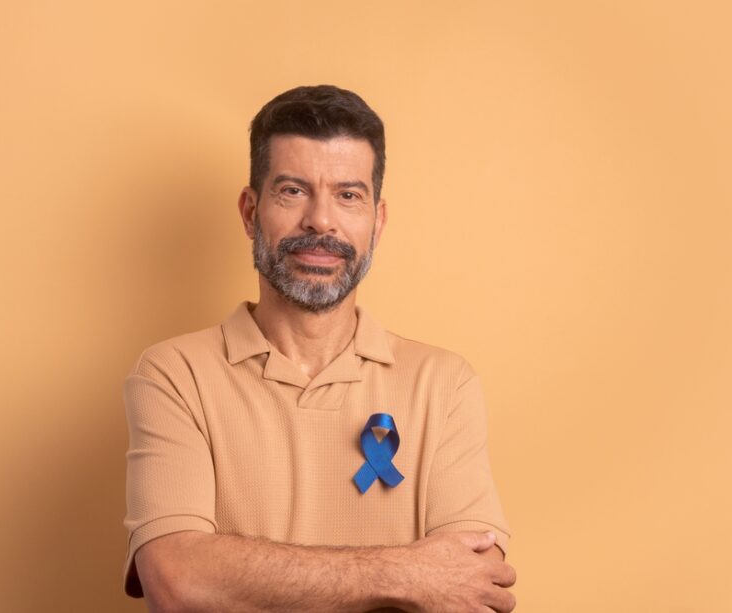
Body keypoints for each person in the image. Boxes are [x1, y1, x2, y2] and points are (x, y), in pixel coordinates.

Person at [123, 85, 516, 612]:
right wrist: (407, 572)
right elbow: (177, 579)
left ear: (377, 222)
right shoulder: (175, 374)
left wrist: (241, 576)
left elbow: (474, 589)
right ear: (250, 212)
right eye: (293, 191)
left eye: (348, 195)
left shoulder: (444, 383)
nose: (321, 221)